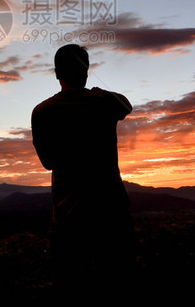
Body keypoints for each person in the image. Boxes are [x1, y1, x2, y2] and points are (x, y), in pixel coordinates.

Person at [31, 44, 134, 295]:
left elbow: (48, 163)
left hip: (68, 216)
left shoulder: (42, 111)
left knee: (73, 286)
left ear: (56, 73)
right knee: (116, 283)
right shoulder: (104, 102)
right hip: (111, 212)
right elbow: (126, 106)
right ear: (87, 71)